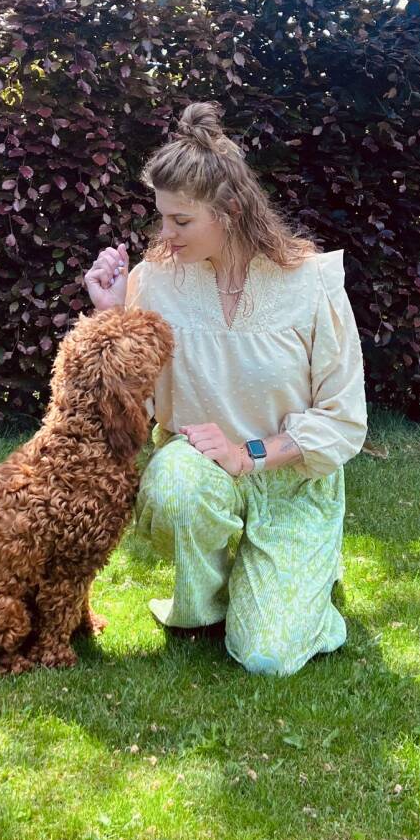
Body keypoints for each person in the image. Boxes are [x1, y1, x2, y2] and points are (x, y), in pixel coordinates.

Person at [83, 101, 367, 676]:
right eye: (162, 217)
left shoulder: (311, 283)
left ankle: (302, 573)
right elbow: (124, 409)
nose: (165, 235)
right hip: (198, 471)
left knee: (268, 657)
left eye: (181, 221)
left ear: (230, 211)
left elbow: (343, 419)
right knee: (175, 485)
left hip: (291, 481)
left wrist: (248, 455)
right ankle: (207, 603)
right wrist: (111, 317)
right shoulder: (154, 282)